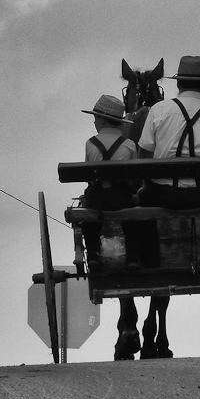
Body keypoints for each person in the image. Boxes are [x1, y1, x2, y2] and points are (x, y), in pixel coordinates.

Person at [136, 55, 200, 265]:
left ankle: (149, 260)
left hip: (163, 195)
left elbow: (143, 156)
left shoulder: (159, 111)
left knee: (141, 199)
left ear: (178, 83)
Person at [78, 95, 138, 271]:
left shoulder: (90, 144)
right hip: (122, 199)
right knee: (133, 215)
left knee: (88, 210)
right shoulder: (129, 145)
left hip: (97, 199)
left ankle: (94, 255)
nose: (94, 122)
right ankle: (133, 256)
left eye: (95, 118)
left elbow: (89, 176)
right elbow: (133, 178)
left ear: (103, 119)